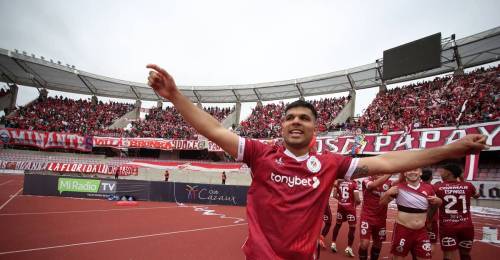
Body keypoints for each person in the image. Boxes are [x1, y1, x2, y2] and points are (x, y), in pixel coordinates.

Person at [146, 64, 487, 260]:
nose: (295, 121)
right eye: (289, 117)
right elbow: (214, 129)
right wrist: (175, 96)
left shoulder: (330, 163)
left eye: (303, 118)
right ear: (280, 126)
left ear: (316, 127)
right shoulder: (259, 154)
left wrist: (450, 148)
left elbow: (387, 161)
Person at [380, 169, 442, 260]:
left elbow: (434, 206)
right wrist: (387, 193)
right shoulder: (398, 187)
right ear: (405, 173)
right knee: (398, 258)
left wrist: (439, 201)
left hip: (421, 231)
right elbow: (382, 203)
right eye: (409, 170)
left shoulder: (428, 188)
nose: (412, 172)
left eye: (416, 170)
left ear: (420, 172)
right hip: (402, 230)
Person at [434, 163, 479, 260]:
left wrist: (429, 220)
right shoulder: (468, 185)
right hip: (466, 225)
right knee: (465, 255)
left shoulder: (438, 187)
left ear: (449, 173)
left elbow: (432, 205)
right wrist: (463, 180)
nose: (440, 173)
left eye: (442, 171)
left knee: (448, 256)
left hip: (447, 226)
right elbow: (477, 195)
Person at [358, 174, 395, 260]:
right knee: (364, 243)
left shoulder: (389, 183)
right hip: (367, 217)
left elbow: (399, 182)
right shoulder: (366, 180)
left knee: (378, 243)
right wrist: (390, 173)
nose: (378, 173)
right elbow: (372, 185)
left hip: (381, 219)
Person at [330, 179, 360, 257]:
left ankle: (333, 243)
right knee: (352, 227)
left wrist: (341, 200)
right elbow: (357, 199)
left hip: (340, 206)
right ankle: (349, 247)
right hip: (350, 208)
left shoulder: (339, 182)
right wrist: (357, 203)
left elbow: (334, 195)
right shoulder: (354, 183)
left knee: (338, 224)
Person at [421, 168, 439, 253]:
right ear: (431, 177)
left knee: (418, 241)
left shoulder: (417, 186)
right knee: (432, 242)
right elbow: (434, 205)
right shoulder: (433, 188)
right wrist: (430, 221)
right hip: (431, 219)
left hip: (418, 219)